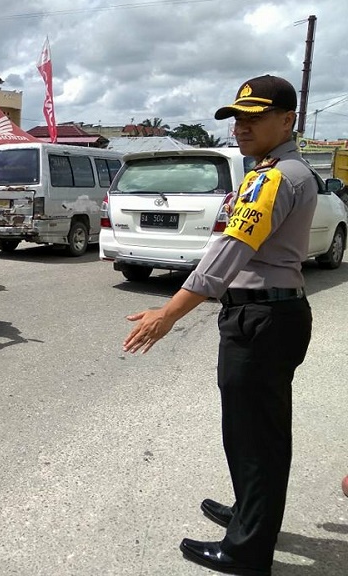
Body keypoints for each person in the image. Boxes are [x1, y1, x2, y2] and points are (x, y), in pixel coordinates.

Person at [122, 75, 316, 576]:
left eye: (255, 117)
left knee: (257, 436)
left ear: (287, 119)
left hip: (263, 317)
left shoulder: (276, 176)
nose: (242, 128)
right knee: (249, 431)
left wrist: (169, 312)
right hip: (262, 313)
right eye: (237, 118)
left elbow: (231, 251)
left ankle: (247, 550)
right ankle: (250, 510)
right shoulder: (271, 171)